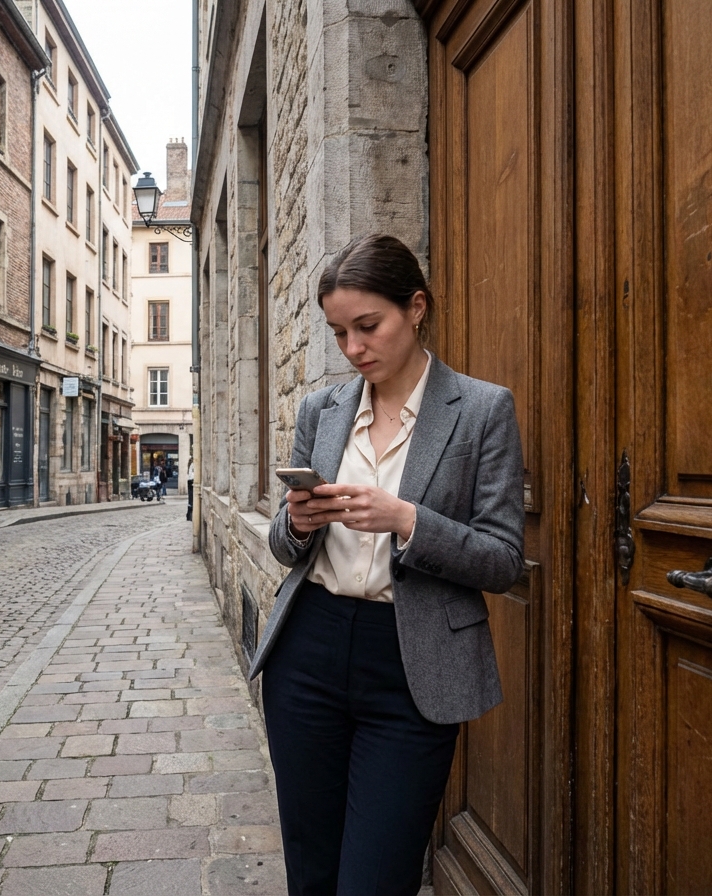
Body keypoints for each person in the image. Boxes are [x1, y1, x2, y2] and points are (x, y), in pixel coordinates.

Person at [251, 233, 525, 895]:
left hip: (412, 665)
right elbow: (282, 545)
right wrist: (294, 522)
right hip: (307, 651)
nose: (352, 348)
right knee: (310, 869)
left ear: (417, 307)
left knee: (377, 878)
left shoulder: (483, 410)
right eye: (339, 332)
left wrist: (406, 520)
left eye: (367, 326)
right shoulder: (322, 409)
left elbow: (502, 560)